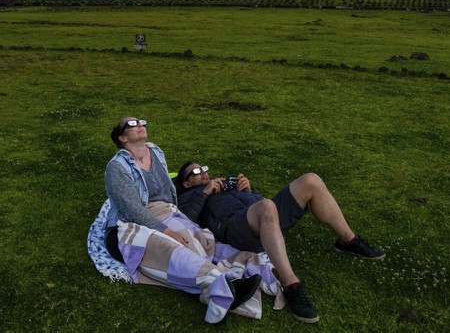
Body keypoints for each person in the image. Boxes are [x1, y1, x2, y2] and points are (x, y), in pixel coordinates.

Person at [103, 116, 270, 322]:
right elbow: (131, 210)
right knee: (172, 247)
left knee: (201, 240)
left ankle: (239, 274)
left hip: (166, 211)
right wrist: (167, 230)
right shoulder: (117, 167)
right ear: (122, 137)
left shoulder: (155, 151)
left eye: (140, 121)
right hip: (127, 226)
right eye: (130, 124)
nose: (138, 125)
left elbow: (168, 188)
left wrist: (180, 213)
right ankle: (220, 286)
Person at [175, 162, 385, 324]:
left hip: (264, 217)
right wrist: (204, 192)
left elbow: (255, 202)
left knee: (310, 180)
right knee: (266, 207)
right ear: (186, 183)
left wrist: (249, 190)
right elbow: (185, 218)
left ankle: (348, 240)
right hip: (234, 228)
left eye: (203, 168)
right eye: (195, 173)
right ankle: (291, 285)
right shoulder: (188, 195)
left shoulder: (223, 184)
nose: (202, 172)